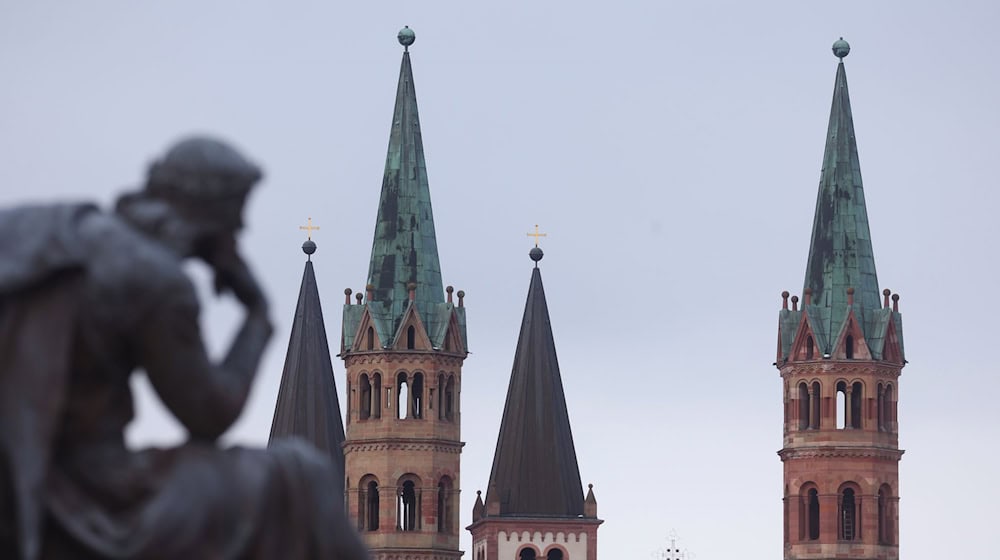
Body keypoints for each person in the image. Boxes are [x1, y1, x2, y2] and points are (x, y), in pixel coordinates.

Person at [0, 137, 369, 560]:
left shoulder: (52, 229)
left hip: (29, 464)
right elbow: (209, 415)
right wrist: (256, 316)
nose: (241, 232)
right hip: (89, 491)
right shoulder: (158, 281)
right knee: (300, 478)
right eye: (235, 218)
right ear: (208, 217)